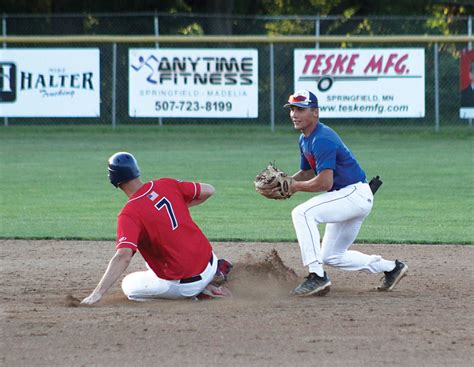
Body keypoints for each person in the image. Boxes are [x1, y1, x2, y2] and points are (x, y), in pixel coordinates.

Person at [283, 90, 407, 296]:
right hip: (351, 197)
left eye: (301, 109)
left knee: (302, 213)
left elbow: (324, 182)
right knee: (332, 256)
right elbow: (307, 172)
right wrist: (287, 182)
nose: (294, 114)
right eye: (293, 109)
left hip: (353, 194)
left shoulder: (322, 138)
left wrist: (294, 187)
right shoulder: (305, 139)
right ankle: (391, 268)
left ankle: (317, 276)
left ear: (315, 112)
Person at [81, 152, 232, 304]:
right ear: (136, 170)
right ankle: (215, 273)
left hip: (187, 285)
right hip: (210, 261)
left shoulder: (129, 214)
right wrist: (181, 204)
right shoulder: (165, 184)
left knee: (129, 285)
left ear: (113, 179)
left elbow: (123, 256)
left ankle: (201, 292)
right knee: (155, 252)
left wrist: (97, 293)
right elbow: (209, 190)